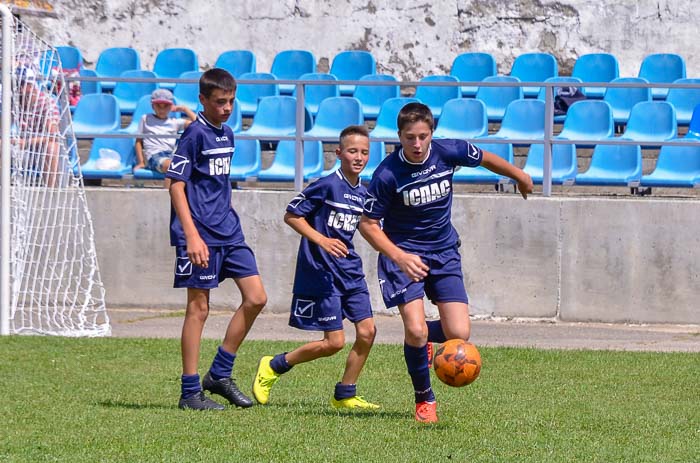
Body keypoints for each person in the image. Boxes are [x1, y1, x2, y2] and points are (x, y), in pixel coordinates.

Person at [358, 102, 534, 423]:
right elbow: (368, 224)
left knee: (459, 332)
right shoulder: (386, 175)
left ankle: (423, 343)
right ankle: (424, 399)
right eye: (409, 137)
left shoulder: (448, 152)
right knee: (414, 328)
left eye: (423, 136)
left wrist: (519, 174)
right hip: (403, 256)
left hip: (443, 252)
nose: (416, 144)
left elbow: (485, 158)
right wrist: (399, 256)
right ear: (399, 136)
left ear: (431, 133)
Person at [252, 125, 380, 411]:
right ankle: (273, 366)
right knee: (334, 343)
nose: (358, 157)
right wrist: (322, 240)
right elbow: (292, 215)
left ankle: (345, 393)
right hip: (323, 272)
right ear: (339, 153)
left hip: (350, 270)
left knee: (368, 332)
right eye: (352, 151)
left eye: (364, 152)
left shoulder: (364, 192)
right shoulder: (327, 185)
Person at [166, 68, 267, 411]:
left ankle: (220, 374)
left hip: (229, 230)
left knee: (256, 298)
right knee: (199, 308)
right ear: (203, 100)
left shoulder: (228, 133)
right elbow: (176, 185)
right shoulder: (193, 135)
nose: (227, 108)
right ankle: (190, 391)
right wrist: (192, 236)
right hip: (200, 234)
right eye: (220, 102)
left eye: (231, 101)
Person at [134, 88, 196, 187]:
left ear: (171, 106)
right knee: (174, 166)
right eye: (158, 106)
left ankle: (173, 198)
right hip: (154, 156)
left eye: (166, 106)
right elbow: (138, 141)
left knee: (184, 166)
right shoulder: (146, 119)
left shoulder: (174, 122)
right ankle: (168, 197)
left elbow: (198, 125)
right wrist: (141, 162)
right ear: (152, 106)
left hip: (170, 155)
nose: (162, 109)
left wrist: (185, 109)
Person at [16, 67, 61, 187]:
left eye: (19, 85)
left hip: (40, 147)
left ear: (30, 86)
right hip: (21, 147)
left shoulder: (47, 103)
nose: (15, 89)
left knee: (51, 147)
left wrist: (27, 142)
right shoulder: (12, 103)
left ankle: (52, 193)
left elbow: (53, 136)